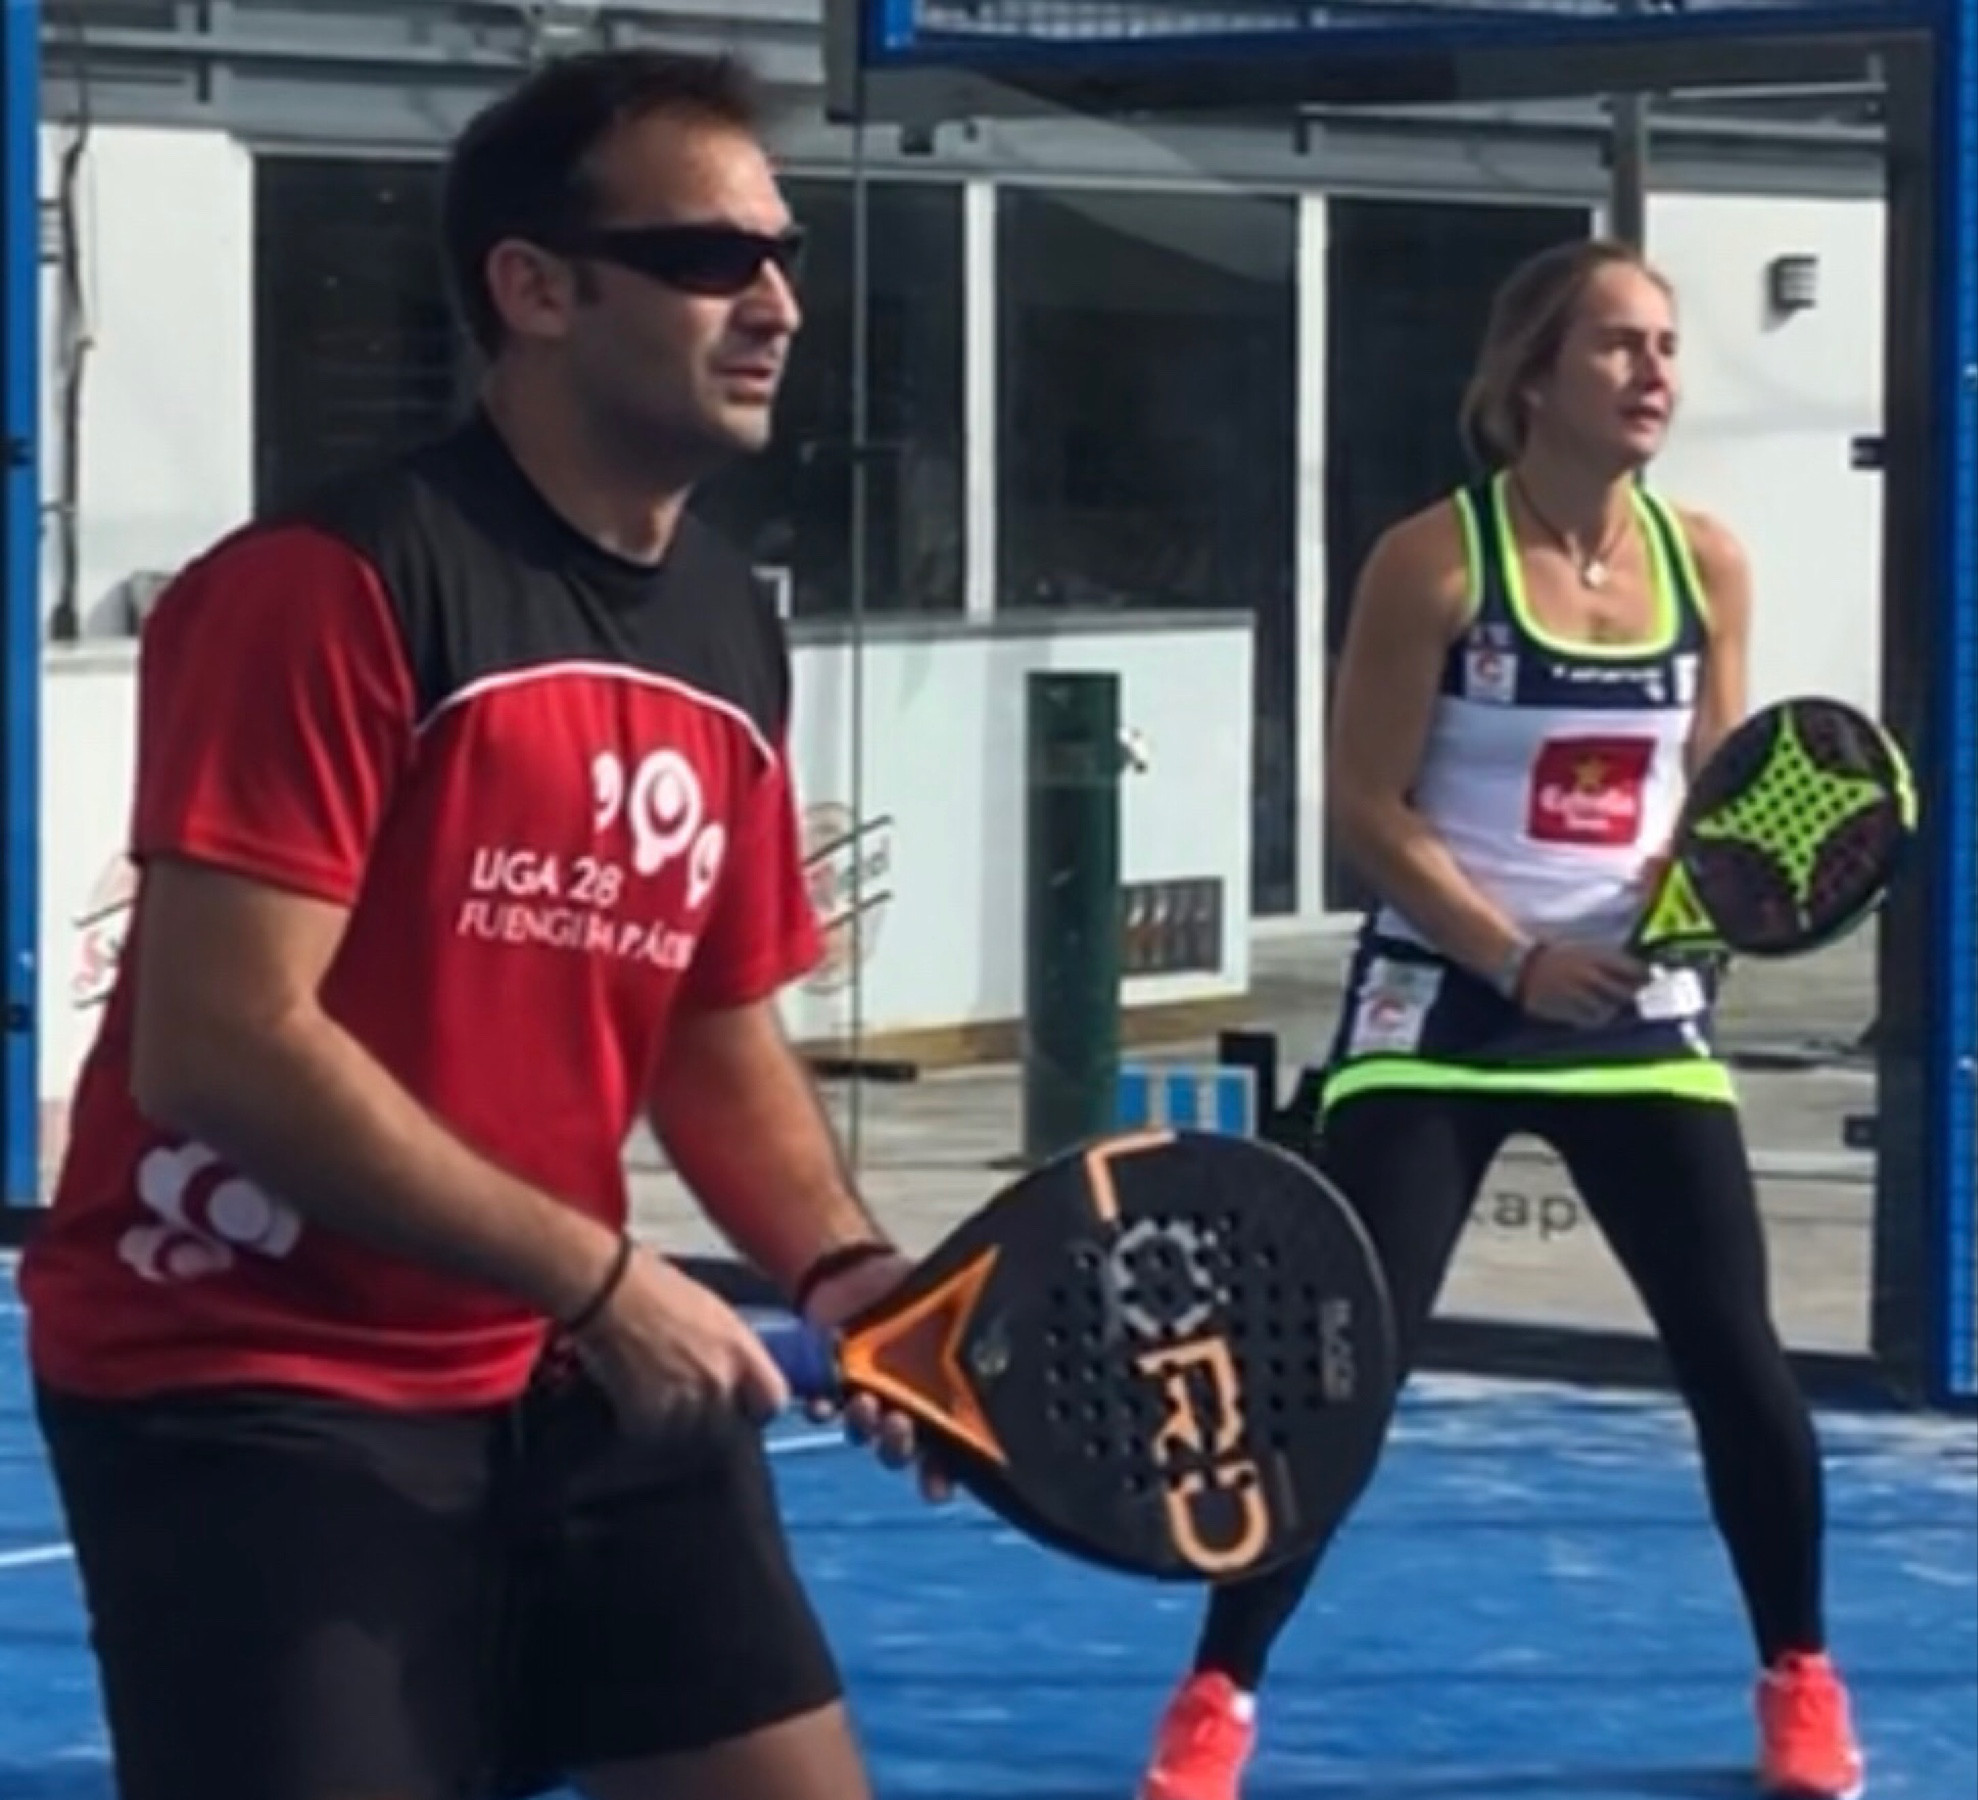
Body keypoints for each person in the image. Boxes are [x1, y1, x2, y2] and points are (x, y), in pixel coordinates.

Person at [18, 48, 944, 1800]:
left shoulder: (726, 626)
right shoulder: (327, 589)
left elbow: (709, 1023)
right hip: (254, 1381)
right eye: (705, 257)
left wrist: (848, 1272)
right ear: (534, 288)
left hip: (557, 1359)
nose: (772, 302)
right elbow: (223, 1044)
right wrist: (601, 1277)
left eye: (783, 254)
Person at [1136, 238, 1865, 1800]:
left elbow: (1718, 780)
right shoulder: (1431, 561)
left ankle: (1799, 1678)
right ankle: (1215, 1693)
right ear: (1531, 377)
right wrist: (1511, 956)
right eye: (1617, 345)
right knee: (1346, 1364)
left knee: (1736, 1357)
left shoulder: (1706, 561)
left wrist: (1689, 895)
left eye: (1665, 345)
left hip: (1637, 1005)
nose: (1654, 372)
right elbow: (1363, 804)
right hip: (1442, 1000)